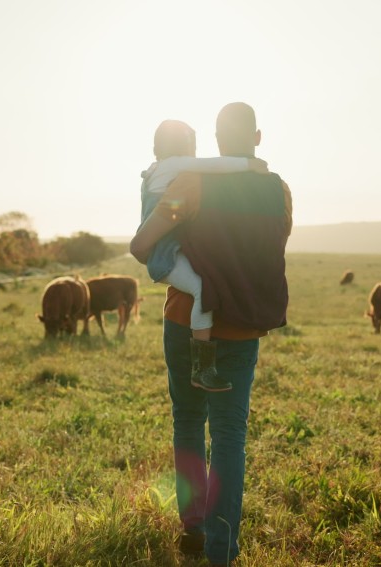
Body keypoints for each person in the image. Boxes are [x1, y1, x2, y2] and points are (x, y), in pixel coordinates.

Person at [130, 102, 292, 566]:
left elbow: (142, 245)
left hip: (185, 321)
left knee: (187, 422)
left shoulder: (191, 183)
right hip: (243, 327)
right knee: (229, 437)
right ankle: (222, 554)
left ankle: (193, 530)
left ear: (215, 143)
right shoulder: (279, 191)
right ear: (256, 138)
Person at [139, 119, 268, 392]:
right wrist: (249, 165)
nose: (195, 152)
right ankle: (203, 368)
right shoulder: (175, 165)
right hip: (166, 254)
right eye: (192, 145)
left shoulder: (157, 169)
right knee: (203, 288)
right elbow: (214, 166)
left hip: (168, 250)